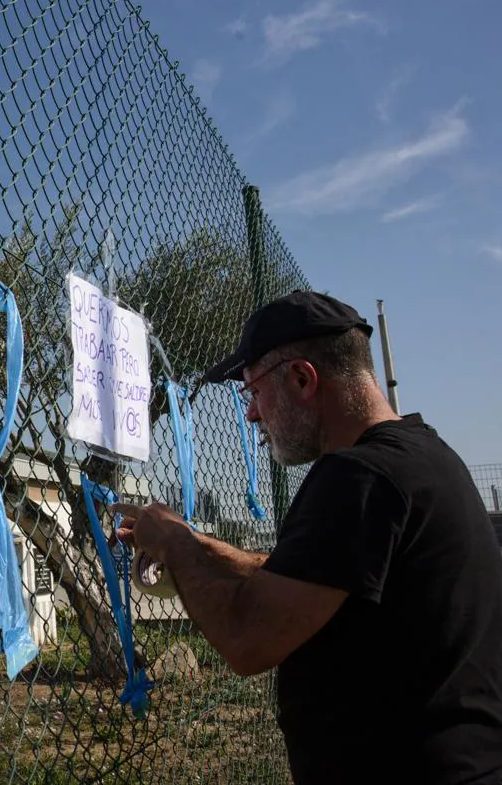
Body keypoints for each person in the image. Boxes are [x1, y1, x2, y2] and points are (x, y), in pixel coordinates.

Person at [110, 290, 502, 784]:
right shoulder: (423, 457)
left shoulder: (359, 478)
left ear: (301, 378)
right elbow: (316, 571)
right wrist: (201, 543)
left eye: (253, 392)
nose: (251, 414)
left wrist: (173, 544)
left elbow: (247, 639)